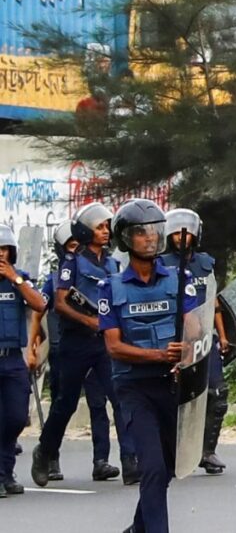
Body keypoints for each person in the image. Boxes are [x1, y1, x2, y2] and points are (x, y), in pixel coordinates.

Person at [101, 199, 199, 533]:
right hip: (134, 388)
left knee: (169, 467)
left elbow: (195, 326)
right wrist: (159, 356)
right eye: (140, 232)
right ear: (125, 239)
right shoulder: (110, 288)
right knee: (153, 468)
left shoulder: (178, 278)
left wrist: (185, 348)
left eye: (154, 230)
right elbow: (113, 346)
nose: (150, 238)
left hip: (172, 386)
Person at [31, 203, 139, 487]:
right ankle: (45, 451)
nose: (105, 232)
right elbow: (61, 302)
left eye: (107, 227)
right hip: (76, 343)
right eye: (100, 227)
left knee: (120, 398)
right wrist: (89, 322)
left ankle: (130, 461)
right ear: (86, 230)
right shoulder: (72, 261)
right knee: (65, 403)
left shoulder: (113, 264)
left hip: (104, 343)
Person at [160, 208, 230, 475]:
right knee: (172, 397)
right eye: (176, 232)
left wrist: (221, 336)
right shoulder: (161, 264)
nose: (181, 236)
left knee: (217, 394)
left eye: (186, 232)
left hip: (204, 338)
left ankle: (207, 451)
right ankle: (171, 452)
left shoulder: (205, 263)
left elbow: (214, 301)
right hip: (174, 340)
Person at [0, 225, 46, 498]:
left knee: (16, 417)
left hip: (12, 359)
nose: (1, 254)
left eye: (5, 249)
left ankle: (5, 471)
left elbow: (40, 304)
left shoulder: (20, 280)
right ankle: (3, 475)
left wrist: (14, 278)